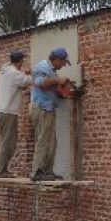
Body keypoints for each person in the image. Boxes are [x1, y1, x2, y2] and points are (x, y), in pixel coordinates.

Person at [30, 47, 71, 181]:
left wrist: (61, 91)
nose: (64, 65)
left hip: (49, 109)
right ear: (57, 59)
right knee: (42, 140)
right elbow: (39, 82)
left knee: (52, 142)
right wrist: (57, 81)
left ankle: (48, 171)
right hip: (41, 107)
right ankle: (37, 171)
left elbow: (51, 88)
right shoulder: (43, 66)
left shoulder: (52, 72)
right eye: (63, 62)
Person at [0, 50, 31, 178]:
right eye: (23, 61)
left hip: (2, 110)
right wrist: (35, 74)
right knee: (8, 141)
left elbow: (17, 84)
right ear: (20, 61)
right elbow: (27, 82)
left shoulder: (3, 71)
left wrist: (23, 74)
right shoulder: (15, 74)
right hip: (9, 111)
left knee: (7, 140)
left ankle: (1, 169)